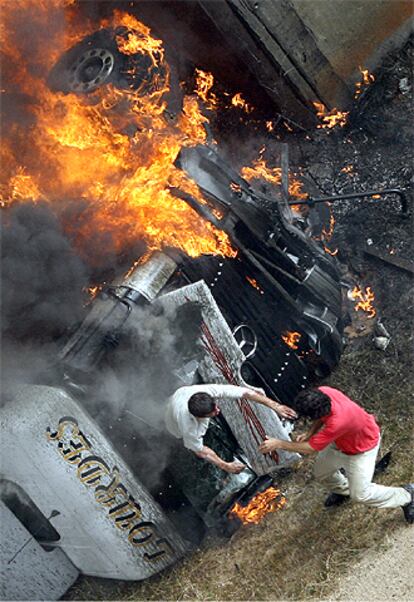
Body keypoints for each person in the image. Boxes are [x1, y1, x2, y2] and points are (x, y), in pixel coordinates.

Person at [259, 386, 413, 523]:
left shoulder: (338, 422)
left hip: (362, 449)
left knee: (360, 495)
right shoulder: (324, 392)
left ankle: (407, 495)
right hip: (341, 442)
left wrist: (279, 444)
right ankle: (344, 489)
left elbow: (310, 449)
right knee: (322, 472)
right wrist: (310, 432)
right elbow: (321, 417)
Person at [165, 383, 297, 474]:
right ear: (201, 416)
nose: (218, 410)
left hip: (181, 393)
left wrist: (275, 406)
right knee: (189, 438)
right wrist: (225, 465)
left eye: (216, 407)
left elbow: (243, 392)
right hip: (172, 422)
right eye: (213, 412)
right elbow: (200, 451)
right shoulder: (188, 427)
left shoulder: (204, 392)